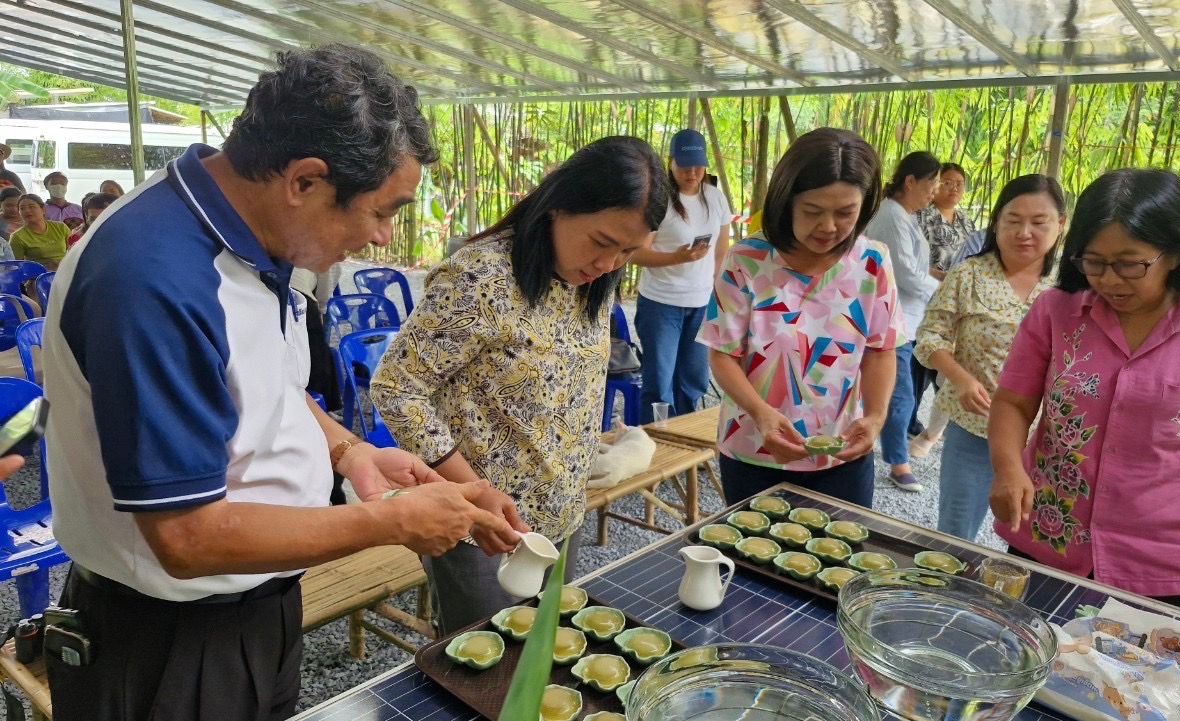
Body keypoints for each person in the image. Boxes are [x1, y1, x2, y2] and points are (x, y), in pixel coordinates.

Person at [43, 45, 519, 720]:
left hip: (254, 609)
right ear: (304, 181)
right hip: (170, 640)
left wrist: (349, 451)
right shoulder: (154, 280)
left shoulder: (251, 233)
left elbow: (262, 384)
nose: (383, 237)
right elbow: (187, 538)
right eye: (382, 211)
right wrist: (387, 522)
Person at [371, 135, 667, 633]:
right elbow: (398, 388)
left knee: (544, 654)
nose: (609, 264)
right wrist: (474, 490)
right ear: (558, 206)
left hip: (562, 514)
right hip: (481, 524)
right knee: (485, 669)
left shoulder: (591, 282)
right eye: (600, 242)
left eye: (628, 251)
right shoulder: (481, 278)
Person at [988, 169, 1180, 620]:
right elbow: (1014, 401)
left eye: (1130, 263)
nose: (1109, 280)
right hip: (1050, 541)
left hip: (1167, 563)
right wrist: (1008, 468)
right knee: (1028, 671)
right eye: (1094, 261)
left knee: (1142, 688)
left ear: (1175, 253)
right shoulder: (1057, 310)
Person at [697, 128, 904, 508]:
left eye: (845, 213)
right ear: (786, 201)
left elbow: (879, 350)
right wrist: (760, 414)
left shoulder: (872, 262)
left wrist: (874, 418)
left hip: (842, 454)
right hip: (753, 450)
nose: (828, 227)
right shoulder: (747, 259)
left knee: (843, 562)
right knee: (752, 563)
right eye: (812, 212)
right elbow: (722, 354)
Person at [914, 175, 1064, 541]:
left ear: (1061, 225)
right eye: (1013, 221)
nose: (1024, 232)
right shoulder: (970, 274)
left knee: (1038, 538)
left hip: (1048, 438)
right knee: (955, 532)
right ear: (996, 223)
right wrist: (960, 378)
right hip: (975, 425)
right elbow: (930, 335)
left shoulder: (1071, 287)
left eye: (1039, 222)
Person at [631, 129, 732, 423]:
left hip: (701, 302)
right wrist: (675, 257)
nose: (691, 173)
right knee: (659, 383)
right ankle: (657, 447)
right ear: (670, 162)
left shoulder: (715, 198)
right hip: (660, 303)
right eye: (684, 166)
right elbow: (636, 253)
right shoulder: (657, 199)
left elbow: (721, 251)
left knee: (693, 380)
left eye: (697, 166)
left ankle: (685, 447)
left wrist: (720, 293)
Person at [862, 151, 940, 492]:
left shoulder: (903, 215)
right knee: (900, 395)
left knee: (895, 393)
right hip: (892, 319)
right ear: (910, 181)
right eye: (932, 182)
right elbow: (906, 273)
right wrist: (943, 291)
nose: (934, 190)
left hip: (904, 317)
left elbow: (914, 269)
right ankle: (898, 462)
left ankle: (886, 454)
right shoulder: (891, 216)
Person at [908, 162, 977, 455]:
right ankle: (908, 421)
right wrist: (939, 275)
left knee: (949, 366)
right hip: (923, 295)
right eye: (947, 182)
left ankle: (942, 425)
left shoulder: (966, 222)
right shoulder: (920, 216)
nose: (953, 188)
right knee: (920, 363)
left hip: (956, 301)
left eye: (959, 183)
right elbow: (910, 259)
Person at [10, 194, 70, 269]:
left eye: (31, 207)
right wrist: (45, 268)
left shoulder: (60, 227)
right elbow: (16, 266)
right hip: (39, 276)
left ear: (43, 210)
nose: (27, 211)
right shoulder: (17, 237)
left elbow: (73, 251)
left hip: (67, 269)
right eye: (22, 208)